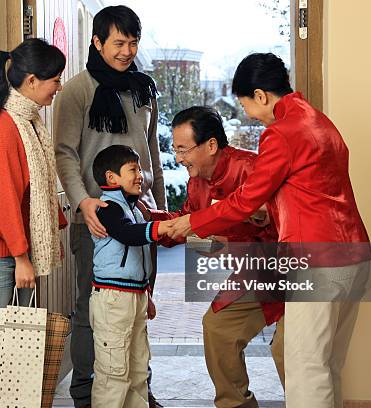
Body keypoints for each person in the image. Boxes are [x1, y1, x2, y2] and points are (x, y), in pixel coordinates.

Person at [168, 53, 371, 408]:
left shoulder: (282, 133)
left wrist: (193, 223)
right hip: (354, 255)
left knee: (305, 368)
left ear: (261, 95)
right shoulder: (322, 123)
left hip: (317, 261)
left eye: (246, 104)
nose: (248, 114)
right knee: (328, 365)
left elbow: (247, 200)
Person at [53, 6, 166, 408]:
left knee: (137, 303)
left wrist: (160, 210)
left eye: (133, 42)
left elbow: (152, 151)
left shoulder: (143, 88)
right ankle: (86, 393)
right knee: (92, 305)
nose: (127, 51)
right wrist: (82, 202)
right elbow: (64, 152)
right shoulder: (77, 91)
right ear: (98, 42)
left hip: (141, 213)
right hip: (96, 215)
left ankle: (139, 392)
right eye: (119, 43)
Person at [148, 106, 284, 408]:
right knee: (218, 326)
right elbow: (186, 220)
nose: (179, 158)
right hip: (251, 275)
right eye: (176, 150)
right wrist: (147, 224)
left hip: (287, 270)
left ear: (211, 145)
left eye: (184, 150)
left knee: (291, 353)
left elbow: (282, 224)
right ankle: (235, 404)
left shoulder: (253, 169)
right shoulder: (196, 180)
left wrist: (241, 229)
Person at [0, 38, 68, 335]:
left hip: (10, 251)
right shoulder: (2, 128)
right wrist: (21, 257)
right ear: (32, 81)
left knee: (13, 357)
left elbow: (32, 193)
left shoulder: (28, 122)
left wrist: (48, 240)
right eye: (55, 80)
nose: (59, 87)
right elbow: (3, 200)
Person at [89, 145, 172, 408]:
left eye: (139, 169)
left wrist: (146, 294)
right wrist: (161, 227)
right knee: (114, 372)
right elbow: (127, 234)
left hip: (133, 296)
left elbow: (140, 258)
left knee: (138, 368)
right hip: (113, 299)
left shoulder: (134, 208)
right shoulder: (108, 207)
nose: (140, 175)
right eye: (133, 170)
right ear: (112, 178)